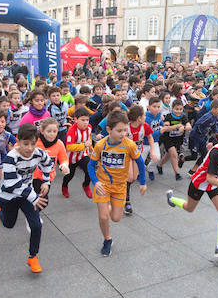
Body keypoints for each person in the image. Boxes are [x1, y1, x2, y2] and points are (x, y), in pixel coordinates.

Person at [166, 124, 218, 259]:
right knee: (189, 208)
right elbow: (209, 178)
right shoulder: (217, 153)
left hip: (213, 184)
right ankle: (171, 199)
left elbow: (213, 176)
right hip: (199, 183)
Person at [87, 109, 147, 257]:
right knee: (103, 216)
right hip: (103, 184)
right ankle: (107, 239)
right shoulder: (100, 145)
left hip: (120, 186)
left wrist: (143, 183)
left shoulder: (129, 145)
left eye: (125, 130)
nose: (123, 134)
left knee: (116, 218)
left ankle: (107, 205)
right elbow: (90, 165)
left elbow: (140, 162)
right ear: (109, 129)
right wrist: (95, 182)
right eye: (119, 130)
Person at [0, 123, 55, 273]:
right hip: (9, 196)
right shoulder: (11, 158)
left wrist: (46, 181)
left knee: (36, 225)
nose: (29, 148)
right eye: (25, 144)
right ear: (18, 141)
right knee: (8, 224)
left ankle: (33, 257)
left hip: (26, 195)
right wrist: (34, 197)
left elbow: (48, 163)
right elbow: (12, 183)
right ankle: (0, 210)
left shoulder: (39, 153)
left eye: (33, 143)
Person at [33, 118, 70, 206]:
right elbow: (21, 146)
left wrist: (64, 165)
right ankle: (32, 218)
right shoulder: (35, 142)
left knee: (42, 202)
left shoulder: (59, 144)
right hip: (34, 176)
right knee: (39, 199)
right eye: (49, 131)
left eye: (54, 131)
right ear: (42, 131)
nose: (52, 134)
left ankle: (32, 215)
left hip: (49, 176)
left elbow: (64, 158)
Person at [61, 107, 93, 198]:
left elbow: (89, 140)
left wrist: (91, 150)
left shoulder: (89, 128)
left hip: (83, 155)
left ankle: (86, 185)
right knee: (69, 175)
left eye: (87, 120)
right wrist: (84, 145)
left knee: (90, 170)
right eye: (83, 120)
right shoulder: (72, 131)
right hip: (71, 158)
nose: (85, 122)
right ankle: (64, 186)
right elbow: (69, 147)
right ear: (75, 120)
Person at [160, 99, 191, 180]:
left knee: (168, 156)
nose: (178, 111)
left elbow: (189, 126)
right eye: (176, 109)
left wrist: (183, 127)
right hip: (168, 138)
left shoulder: (183, 117)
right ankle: (177, 174)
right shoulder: (169, 116)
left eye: (180, 109)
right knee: (174, 154)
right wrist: (175, 127)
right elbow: (165, 128)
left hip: (178, 139)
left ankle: (159, 165)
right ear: (172, 108)